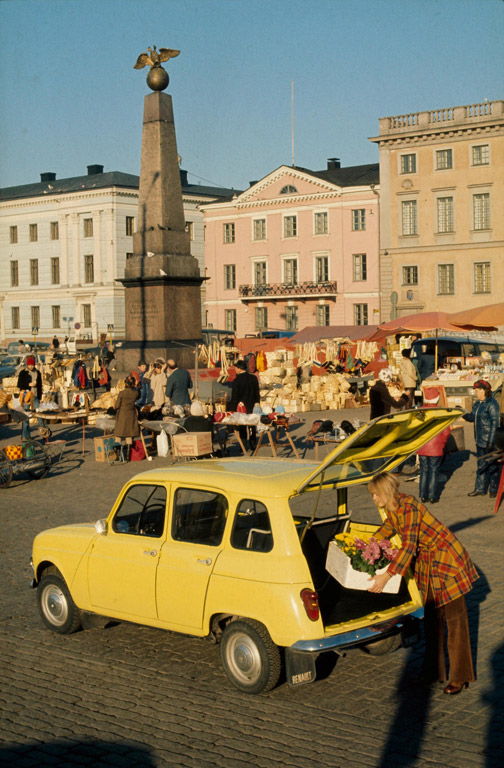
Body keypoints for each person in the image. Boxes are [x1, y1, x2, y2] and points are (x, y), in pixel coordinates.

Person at [368, 472, 479, 695]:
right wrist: (367, 544)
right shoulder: (393, 508)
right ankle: (433, 672)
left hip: (448, 562)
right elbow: (388, 529)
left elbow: (408, 546)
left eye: (375, 494)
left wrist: (386, 576)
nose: (373, 499)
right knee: (431, 620)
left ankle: (461, 677)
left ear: (386, 492)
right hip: (428, 564)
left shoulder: (408, 507)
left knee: (456, 623)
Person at [463, 379, 500, 498]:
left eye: (477, 390)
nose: (475, 393)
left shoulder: (492, 404)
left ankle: (493, 489)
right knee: (481, 465)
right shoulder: (478, 404)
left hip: (489, 441)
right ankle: (480, 488)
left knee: (493, 466)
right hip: (479, 440)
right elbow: (472, 418)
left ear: (484, 391)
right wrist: (462, 413)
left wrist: (490, 440)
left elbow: (495, 423)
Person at [417, 389, 451, 503]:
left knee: (424, 470)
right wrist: (442, 443)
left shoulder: (419, 412)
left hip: (422, 446)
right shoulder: (441, 412)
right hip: (436, 447)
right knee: (434, 471)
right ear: (437, 399)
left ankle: (422, 495)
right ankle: (432, 495)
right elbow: (446, 432)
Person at [228, 359, 260, 451]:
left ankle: (243, 445)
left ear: (239, 368)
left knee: (242, 425)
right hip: (252, 405)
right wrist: (257, 404)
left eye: (235, 368)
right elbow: (257, 393)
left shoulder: (237, 381)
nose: (235, 369)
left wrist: (232, 409)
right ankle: (253, 444)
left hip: (241, 407)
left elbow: (235, 397)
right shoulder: (253, 378)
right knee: (252, 424)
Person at [113, 375, 140, 461]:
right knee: (129, 435)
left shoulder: (122, 393)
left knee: (118, 435)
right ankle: (128, 457)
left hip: (122, 415)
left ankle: (118, 456)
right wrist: (137, 386)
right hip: (131, 414)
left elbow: (117, 406)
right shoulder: (135, 393)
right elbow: (139, 394)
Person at [16, 356, 43, 440]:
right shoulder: (23, 373)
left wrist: (40, 397)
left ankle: (44, 433)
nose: (31, 366)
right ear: (27, 365)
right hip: (26, 396)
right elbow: (19, 385)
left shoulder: (37, 372)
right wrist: (28, 385)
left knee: (39, 415)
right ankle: (25, 435)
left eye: (32, 365)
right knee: (26, 416)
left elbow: (40, 386)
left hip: (35, 396)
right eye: (30, 365)